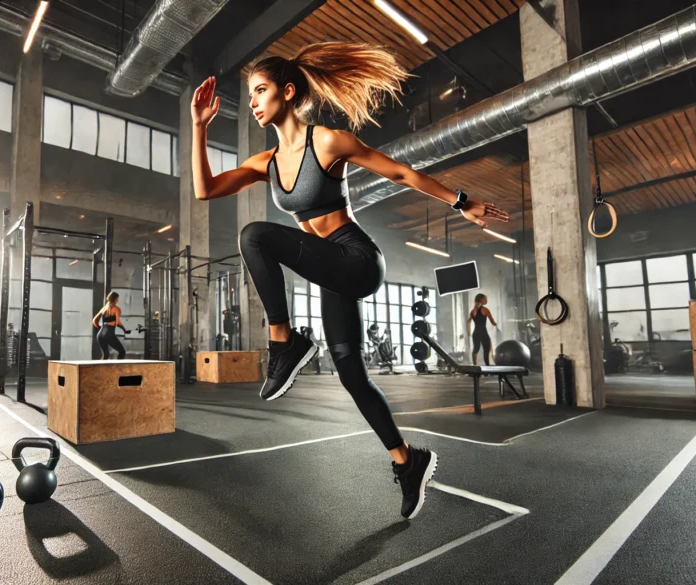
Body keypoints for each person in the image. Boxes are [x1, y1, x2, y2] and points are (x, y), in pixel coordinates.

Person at [189, 41, 509, 519]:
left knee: (255, 235)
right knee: (350, 373)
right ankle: (407, 460)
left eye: (260, 91)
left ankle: (285, 344)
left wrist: (462, 202)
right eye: (251, 94)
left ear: (288, 91)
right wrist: (198, 128)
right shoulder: (266, 163)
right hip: (330, 274)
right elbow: (205, 189)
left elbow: (399, 172)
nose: (252, 102)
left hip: (356, 258)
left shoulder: (328, 141)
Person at [92, 292, 129, 360]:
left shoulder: (104, 309)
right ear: (115, 299)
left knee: (106, 355)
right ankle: (117, 369)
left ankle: (100, 369)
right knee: (122, 352)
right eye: (117, 299)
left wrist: (100, 328)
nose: (118, 300)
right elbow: (118, 323)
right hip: (109, 333)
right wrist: (125, 330)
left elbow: (94, 320)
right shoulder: (117, 309)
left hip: (100, 335)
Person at [468, 293, 497, 366]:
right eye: (485, 299)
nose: (487, 300)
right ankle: (487, 367)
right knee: (486, 350)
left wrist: (468, 331)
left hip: (475, 333)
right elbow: (493, 322)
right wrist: (496, 324)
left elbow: (468, 321)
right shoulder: (485, 310)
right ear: (482, 300)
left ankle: (474, 366)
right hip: (483, 332)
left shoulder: (472, 311)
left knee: (475, 349)